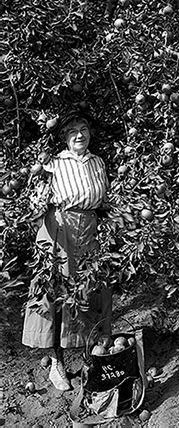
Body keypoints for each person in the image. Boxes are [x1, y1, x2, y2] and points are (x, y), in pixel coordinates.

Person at [22, 111, 111, 391]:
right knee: (57, 291)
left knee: (91, 291)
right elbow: (35, 198)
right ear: (64, 137)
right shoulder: (53, 163)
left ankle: (90, 358)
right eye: (72, 131)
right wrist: (38, 179)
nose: (79, 135)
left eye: (83, 129)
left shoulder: (98, 162)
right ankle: (56, 362)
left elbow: (105, 199)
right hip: (60, 228)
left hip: (90, 227)